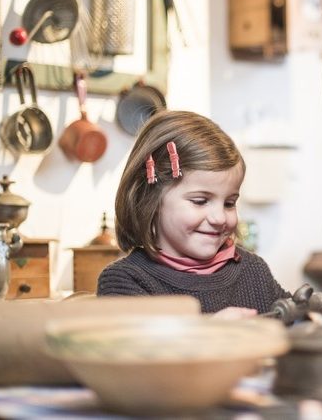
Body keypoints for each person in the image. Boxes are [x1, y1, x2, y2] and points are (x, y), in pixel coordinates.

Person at [98, 110, 290, 316]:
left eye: (229, 203)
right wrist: (210, 334)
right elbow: (139, 346)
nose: (219, 218)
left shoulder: (254, 271)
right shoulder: (125, 280)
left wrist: (306, 316)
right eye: (200, 201)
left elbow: (295, 327)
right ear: (151, 201)